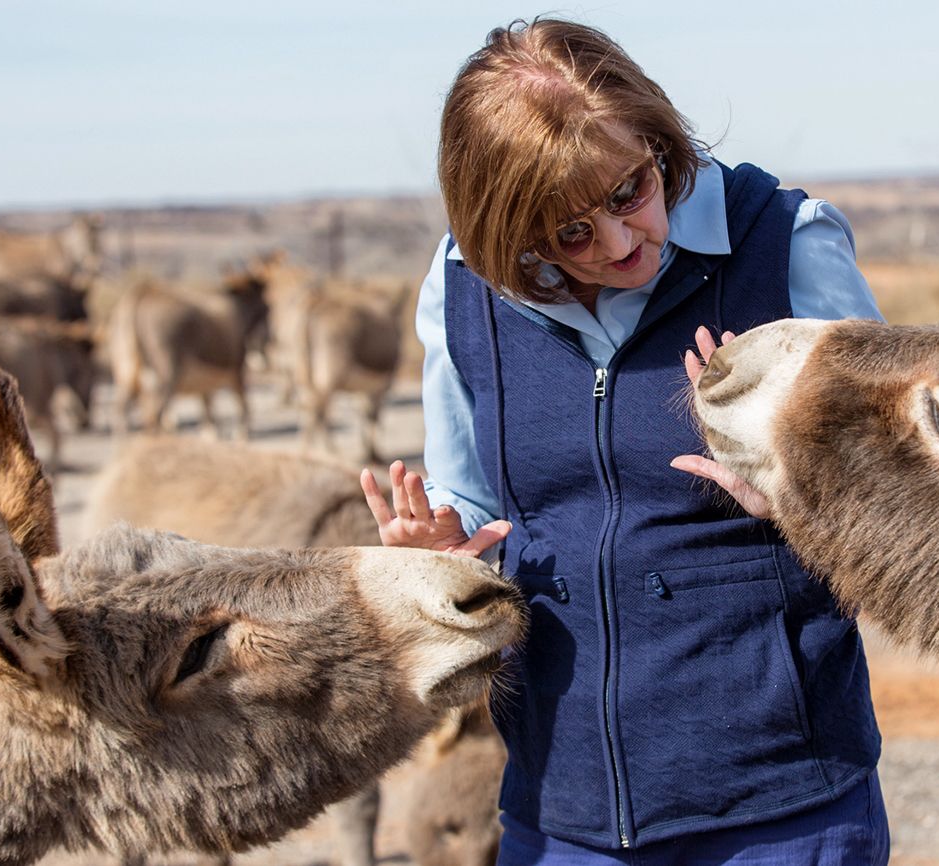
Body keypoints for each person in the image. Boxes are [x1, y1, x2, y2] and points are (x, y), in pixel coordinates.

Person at [359, 17, 887, 865]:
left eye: (629, 191)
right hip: (559, 809)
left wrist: (802, 497)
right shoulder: (463, 287)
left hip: (779, 807)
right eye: (567, 234)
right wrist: (440, 551)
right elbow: (474, 502)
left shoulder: (787, 246)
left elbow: (911, 502)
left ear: (656, 137)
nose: (617, 243)